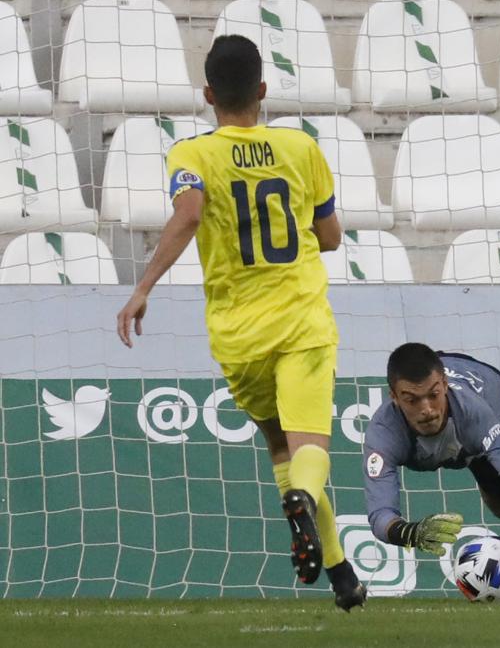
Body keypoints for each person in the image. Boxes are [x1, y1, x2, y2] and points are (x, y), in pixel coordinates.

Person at [115, 35, 365, 611]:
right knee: (309, 449)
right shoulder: (301, 148)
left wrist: (143, 287)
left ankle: (340, 571)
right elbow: (330, 237)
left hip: (237, 333)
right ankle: (303, 504)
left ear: (208, 94)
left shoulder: (191, 155)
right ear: (262, 90)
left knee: (278, 441)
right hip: (301, 320)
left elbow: (189, 212)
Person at [363, 343, 500, 599]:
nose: (427, 409)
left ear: (444, 385)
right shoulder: (382, 434)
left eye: (433, 395)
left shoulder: (475, 412)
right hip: (468, 441)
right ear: (394, 397)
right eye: (412, 400)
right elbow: (380, 514)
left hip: (494, 397)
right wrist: (408, 533)